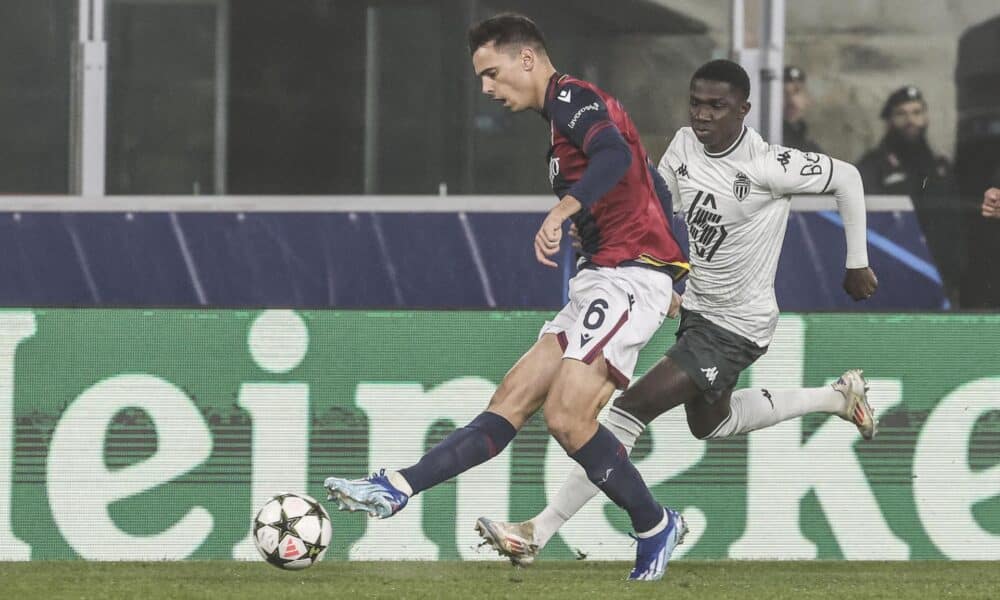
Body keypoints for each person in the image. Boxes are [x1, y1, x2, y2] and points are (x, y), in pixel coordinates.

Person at [323, 13, 690, 581]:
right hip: (605, 277)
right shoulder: (561, 121)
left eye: (492, 73)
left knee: (568, 417)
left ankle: (653, 523)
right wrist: (676, 270)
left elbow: (616, 157)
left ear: (527, 58)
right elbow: (650, 179)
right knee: (512, 399)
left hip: (627, 276)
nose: (488, 89)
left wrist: (569, 210)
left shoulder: (573, 97)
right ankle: (397, 487)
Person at [475, 59, 880, 566]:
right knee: (712, 422)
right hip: (697, 314)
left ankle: (537, 530)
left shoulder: (769, 164)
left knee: (627, 409)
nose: (703, 114)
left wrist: (857, 262)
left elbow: (848, 178)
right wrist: (624, 246)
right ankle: (837, 398)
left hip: (737, 325)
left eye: (717, 106)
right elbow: (651, 206)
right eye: (696, 103)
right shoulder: (684, 146)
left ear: (744, 109)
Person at [857, 85, 960, 302]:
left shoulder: (940, 168)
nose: (910, 120)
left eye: (916, 113)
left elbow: (953, 226)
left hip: (937, 276)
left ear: (926, 118)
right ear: (889, 121)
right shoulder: (873, 166)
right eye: (902, 114)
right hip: (892, 274)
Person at [782, 66, 824, 154]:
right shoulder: (764, 144)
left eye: (796, 92)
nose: (791, 101)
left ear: (807, 99)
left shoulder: (813, 151)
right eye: (784, 93)